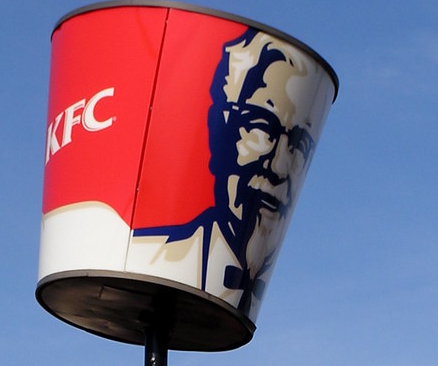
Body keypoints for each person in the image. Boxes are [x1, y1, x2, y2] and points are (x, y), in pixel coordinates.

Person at [128, 28, 318, 318]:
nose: (279, 167)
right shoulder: (146, 257)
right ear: (219, 136)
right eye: (261, 128)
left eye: (299, 146)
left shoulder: (313, 293)